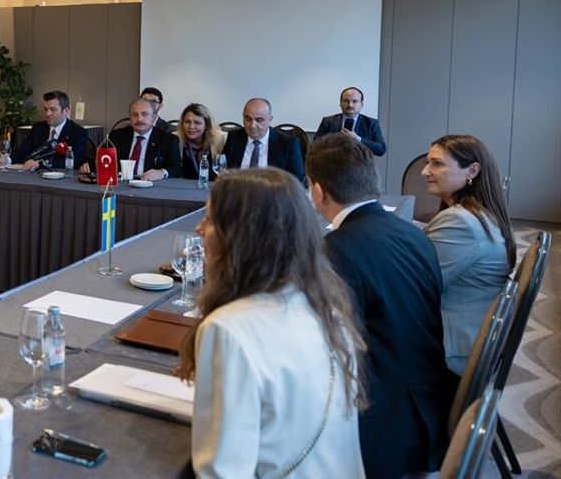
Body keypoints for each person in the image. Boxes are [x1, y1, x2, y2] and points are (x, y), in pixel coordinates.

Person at [176, 168, 367, 478]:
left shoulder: (228, 330)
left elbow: (222, 471)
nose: (199, 229)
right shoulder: (327, 310)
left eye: (210, 219)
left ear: (240, 236)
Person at [307, 134, 455, 478]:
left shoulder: (335, 250)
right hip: (431, 403)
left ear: (317, 192)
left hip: (383, 427)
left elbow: (325, 351)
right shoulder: (413, 233)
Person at [421, 134, 515, 375]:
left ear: (472, 171)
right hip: (470, 334)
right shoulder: (477, 214)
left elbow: (416, 286)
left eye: (436, 163)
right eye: (428, 163)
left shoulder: (461, 222)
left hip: (452, 353)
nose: (425, 171)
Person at [222, 98, 305, 182]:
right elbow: (221, 170)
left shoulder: (288, 143)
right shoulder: (234, 137)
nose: (252, 126)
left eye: (259, 120)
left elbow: (297, 180)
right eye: (248, 119)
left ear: (270, 119)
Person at [10, 90, 91, 172]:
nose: (47, 114)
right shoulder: (38, 127)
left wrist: (40, 164)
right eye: (46, 109)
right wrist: (8, 160)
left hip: (63, 176)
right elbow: (21, 152)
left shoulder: (78, 132)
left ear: (66, 111)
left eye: (53, 110)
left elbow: (75, 160)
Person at [107, 98, 181, 180]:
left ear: (154, 117)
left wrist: (161, 172)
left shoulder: (168, 140)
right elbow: (104, 161)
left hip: (151, 184)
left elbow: (176, 168)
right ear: (130, 117)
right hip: (120, 184)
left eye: (145, 114)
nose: (139, 119)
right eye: (134, 114)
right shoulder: (116, 136)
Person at [313, 87, 386, 156]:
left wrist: (357, 138)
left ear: (361, 104)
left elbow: (381, 149)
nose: (350, 105)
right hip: (332, 162)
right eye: (346, 101)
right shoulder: (328, 121)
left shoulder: (371, 123)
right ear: (340, 103)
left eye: (354, 101)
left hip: (361, 164)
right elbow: (315, 145)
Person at [176, 103, 226, 182]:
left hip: (213, 186)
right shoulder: (175, 139)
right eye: (187, 122)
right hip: (183, 187)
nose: (191, 127)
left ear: (206, 125)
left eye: (197, 123)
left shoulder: (221, 139)